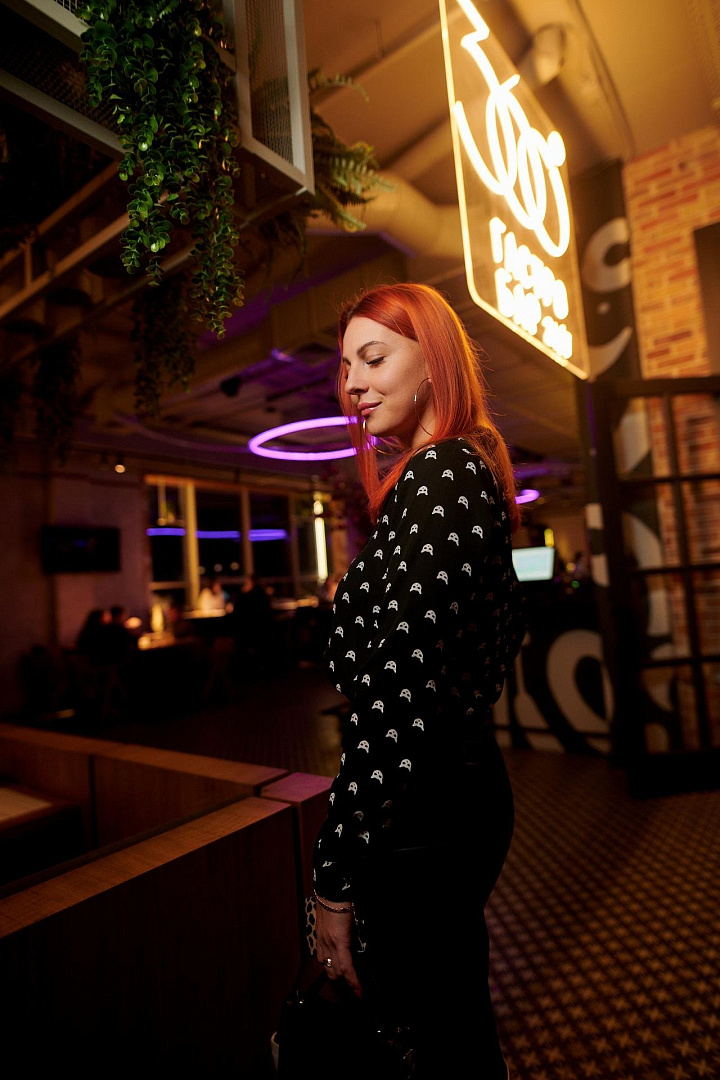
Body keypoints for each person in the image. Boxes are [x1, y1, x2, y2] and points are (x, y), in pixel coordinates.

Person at [310, 283, 525, 1079]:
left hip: (425, 802)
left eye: (373, 359)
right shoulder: (452, 475)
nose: (353, 385)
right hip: (449, 789)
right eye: (346, 368)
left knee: (443, 1043)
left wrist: (332, 882)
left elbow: (392, 705)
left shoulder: (442, 475)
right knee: (451, 1027)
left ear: (433, 363)